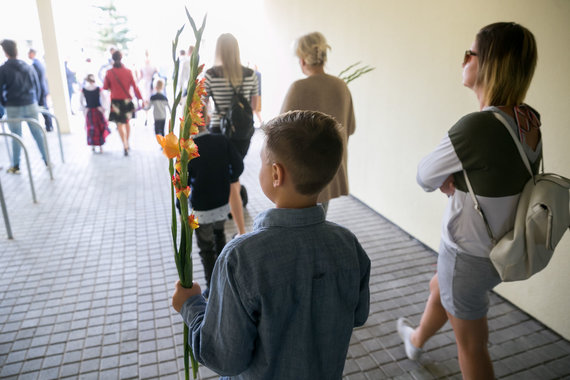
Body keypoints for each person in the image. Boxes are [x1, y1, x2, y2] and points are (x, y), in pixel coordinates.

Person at [172, 110, 370, 379]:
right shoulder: (348, 244)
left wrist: (191, 305)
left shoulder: (240, 258)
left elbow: (224, 356)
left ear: (276, 173)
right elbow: (357, 315)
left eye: (263, 161)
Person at [397, 22, 541, 380]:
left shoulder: (476, 127)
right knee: (439, 286)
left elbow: (424, 176)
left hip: (467, 254)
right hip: (502, 250)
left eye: (470, 53)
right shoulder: (529, 119)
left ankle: (415, 341)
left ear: (490, 64)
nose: (464, 60)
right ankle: (415, 340)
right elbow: (500, 176)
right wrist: (463, 178)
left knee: (473, 347)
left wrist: (453, 179)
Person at [281, 32, 356, 216]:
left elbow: (278, 134)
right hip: (329, 171)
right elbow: (351, 127)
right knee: (319, 219)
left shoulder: (298, 88)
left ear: (302, 60)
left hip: (301, 176)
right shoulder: (341, 86)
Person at [203, 33, 259, 236]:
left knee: (230, 181)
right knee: (232, 176)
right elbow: (255, 105)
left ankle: (241, 231)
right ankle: (237, 221)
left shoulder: (210, 75)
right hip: (243, 134)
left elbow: (202, 107)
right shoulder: (250, 74)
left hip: (219, 132)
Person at [185, 123, 244, 298]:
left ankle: (212, 289)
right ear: (207, 118)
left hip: (201, 205)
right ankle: (225, 280)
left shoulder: (187, 149)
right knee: (220, 237)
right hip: (222, 201)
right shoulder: (221, 140)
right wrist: (230, 178)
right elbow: (238, 165)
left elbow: (183, 180)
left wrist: (179, 205)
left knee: (206, 248)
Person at [0, 39, 48, 174]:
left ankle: (15, 165)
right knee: (37, 133)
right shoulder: (28, 66)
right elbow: (37, 86)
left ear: (5, 52)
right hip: (30, 103)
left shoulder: (3, 69)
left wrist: (4, 103)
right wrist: (35, 101)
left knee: (16, 136)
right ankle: (47, 160)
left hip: (13, 106)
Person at [103, 50, 143, 156]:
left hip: (115, 101)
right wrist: (140, 98)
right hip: (126, 101)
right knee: (127, 122)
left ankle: (124, 144)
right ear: (121, 58)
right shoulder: (128, 71)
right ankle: (127, 142)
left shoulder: (109, 72)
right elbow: (135, 87)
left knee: (119, 124)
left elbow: (105, 87)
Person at [80, 74, 110, 153]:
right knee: (99, 128)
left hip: (89, 111)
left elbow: (81, 101)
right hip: (98, 111)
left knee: (91, 129)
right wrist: (104, 109)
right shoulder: (98, 88)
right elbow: (104, 99)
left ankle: (93, 146)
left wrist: (84, 108)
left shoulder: (84, 89)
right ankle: (100, 147)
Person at [28, 48, 52, 131]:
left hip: (40, 90)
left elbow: (36, 80)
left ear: (32, 53)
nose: (28, 55)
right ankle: (49, 125)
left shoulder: (35, 65)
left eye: (29, 53)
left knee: (44, 108)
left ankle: (49, 126)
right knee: (44, 108)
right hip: (42, 89)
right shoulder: (38, 63)